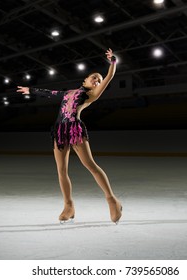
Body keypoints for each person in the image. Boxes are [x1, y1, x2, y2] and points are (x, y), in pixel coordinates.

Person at [16, 48, 122, 224]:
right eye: (94, 77)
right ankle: (68, 205)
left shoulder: (91, 94)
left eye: (99, 80)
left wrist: (113, 62)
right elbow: (50, 93)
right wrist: (31, 90)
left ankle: (112, 200)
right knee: (61, 170)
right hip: (59, 130)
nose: (97, 80)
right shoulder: (68, 93)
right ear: (85, 80)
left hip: (74, 128)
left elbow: (109, 77)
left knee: (90, 165)